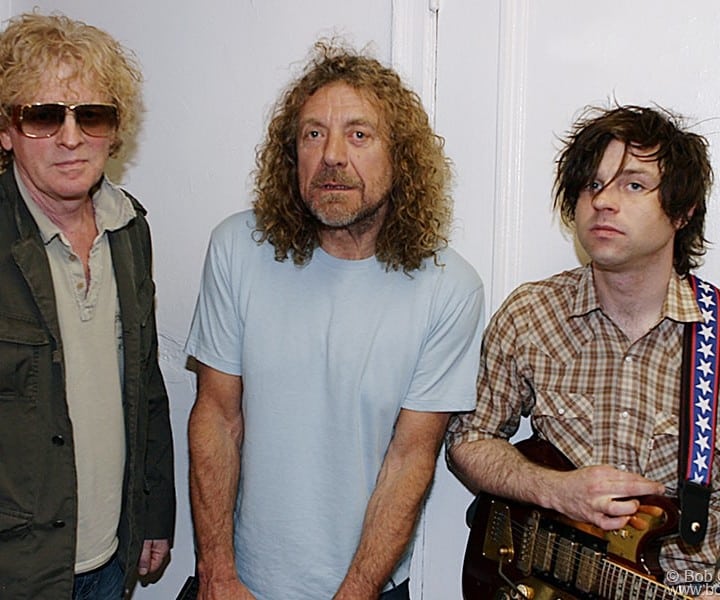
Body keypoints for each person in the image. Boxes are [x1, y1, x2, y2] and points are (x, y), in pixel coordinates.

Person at [185, 42, 484, 600]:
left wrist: (357, 590)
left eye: (359, 134)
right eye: (313, 134)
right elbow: (217, 416)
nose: (332, 156)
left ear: (401, 159)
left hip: (369, 585)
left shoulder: (450, 288)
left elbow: (409, 457)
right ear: (291, 154)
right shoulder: (238, 247)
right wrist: (218, 573)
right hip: (236, 580)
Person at [447, 105, 720, 598]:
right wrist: (555, 490)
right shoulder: (531, 313)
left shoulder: (716, 342)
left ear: (683, 211)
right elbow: (468, 441)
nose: (604, 202)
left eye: (633, 185)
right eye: (592, 185)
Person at [0, 12, 175, 600]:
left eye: (91, 115)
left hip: (109, 560)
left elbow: (145, 381)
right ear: (7, 129)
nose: (71, 138)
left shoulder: (130, 229)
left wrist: (154, 514)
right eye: (44, 116)